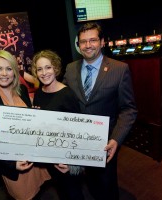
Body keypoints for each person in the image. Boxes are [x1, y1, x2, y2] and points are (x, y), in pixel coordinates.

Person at [63, 22, 138, 200]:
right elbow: (63, 100)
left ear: (102, 42)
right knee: (90, 182)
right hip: (79, 141)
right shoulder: (70, 68)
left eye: (93, 40)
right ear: (78, 45)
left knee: (107, 185)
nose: (88, 45)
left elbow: (129, 109)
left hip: (106, 143)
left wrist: (116, 140)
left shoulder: (120, 69)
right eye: (83, 42)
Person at [0, 50, 56, 200]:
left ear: (14, 71)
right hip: (14, 165)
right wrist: (12, 164)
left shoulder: (22, 91)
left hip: (34, 160)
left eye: (9, 68)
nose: (4, 73)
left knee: (42, 192)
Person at [31, 49, 85, 200]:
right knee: (62, 192)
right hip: (51, 157)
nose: (44, 73)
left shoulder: (67, 94)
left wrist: (72, 163)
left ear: (55, 68)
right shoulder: (39, 93)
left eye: (48, 67)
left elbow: (79, 132)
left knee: (74, 194)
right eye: (39, 69)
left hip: (67, 159)